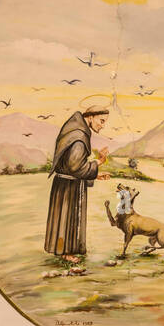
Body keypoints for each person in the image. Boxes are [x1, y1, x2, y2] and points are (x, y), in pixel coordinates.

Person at [44, 97, 110, 259]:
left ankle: (65, 251)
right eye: (101, 121)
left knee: (65, 219)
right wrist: (99, 162)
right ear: (91, 117)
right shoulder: (79, 136)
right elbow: (75, 167)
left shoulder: (75, 130)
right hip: (68, 187)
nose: (102, 125)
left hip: (65, 183)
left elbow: (73, 166)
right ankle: (66, 253)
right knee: (68, 218)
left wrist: (94, 174)